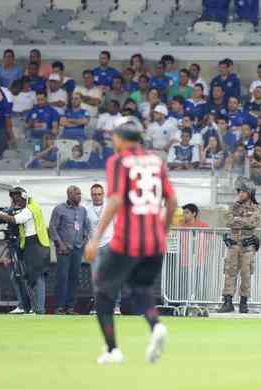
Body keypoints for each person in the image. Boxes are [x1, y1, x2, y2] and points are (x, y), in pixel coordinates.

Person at [84, 121, 178, 365]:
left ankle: (112, 349)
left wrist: (95, 238)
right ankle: (156, 326)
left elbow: (114, 201)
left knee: (103, 289)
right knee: (140, 289)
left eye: (114, 137)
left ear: (122, 139)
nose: (113, 142)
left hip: (127, 240)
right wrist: (163, 232)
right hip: (155, 241)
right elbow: (173, 201)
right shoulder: (157, 161)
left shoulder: (118, 161)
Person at [0, 187, 50, 314]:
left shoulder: (32, 208)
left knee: (36, 278)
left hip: (37, 245)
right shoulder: (23, 208)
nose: (16, 202)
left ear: (24, 197)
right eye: (14, 200)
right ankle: (27, 307)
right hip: (28, 245)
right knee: (23, 277)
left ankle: (39, 310)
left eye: (18, 199)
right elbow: (10, 216)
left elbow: (15, 219)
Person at [218, 178, 261, 314]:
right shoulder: (233, 206)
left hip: (247, 247)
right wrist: (240, 221)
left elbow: (252, 223)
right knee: (229, 273)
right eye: (239, 191)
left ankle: (244, 303)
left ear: (249, 193)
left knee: (246, 275)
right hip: (233, 246)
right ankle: (227, 302)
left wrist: (237, 220)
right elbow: (227, 220)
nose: (240, 194)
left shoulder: (255, 208)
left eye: (243, 191)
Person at [49, 185, 90, 315]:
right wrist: (60, 245)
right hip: (63, 250)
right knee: (62, 277)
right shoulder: (59, 209)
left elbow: (86, 228)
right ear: (69, 195)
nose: (79, 196)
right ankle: (59, 307)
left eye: (80, 194)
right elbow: (52, 228)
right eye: (77, 194)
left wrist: (83, 241)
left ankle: (70, 307)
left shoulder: (82, 210)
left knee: (74, 278)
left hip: (77, 249)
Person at [85, 184, 120, 315]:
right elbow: (85, 228)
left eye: (99, 194)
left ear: (103, 194)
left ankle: (116, 306)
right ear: (91, 195)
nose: (97, 197)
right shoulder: (87, 209)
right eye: (94, 194)